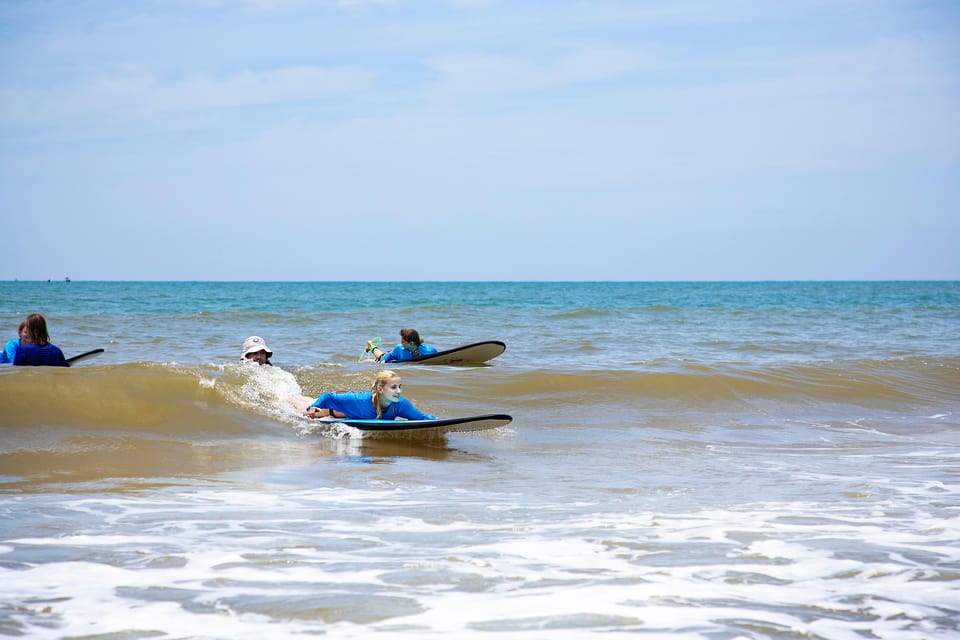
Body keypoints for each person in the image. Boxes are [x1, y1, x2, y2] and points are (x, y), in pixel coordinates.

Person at [304, 369, 437, 420]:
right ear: (380, 389)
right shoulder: (359, 400)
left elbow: (421, 418)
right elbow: (328, 397)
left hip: (352, 410)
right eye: (393, 387)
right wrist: (314, 406)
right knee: (305, 410)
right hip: (338, 409)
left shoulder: (400, 404)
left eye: (399, 387)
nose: (398, 391)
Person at [366, 328, 438, 363]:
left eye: (403, 342)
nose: (401, 343)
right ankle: (371, 346)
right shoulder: (399, 348)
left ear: (411, 343)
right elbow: (390, 356)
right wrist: (384, 360)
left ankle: (371, 346)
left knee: (381, 354)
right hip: (389, 354)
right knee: (378, 358)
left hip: (393, 353)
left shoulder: (430, 350)